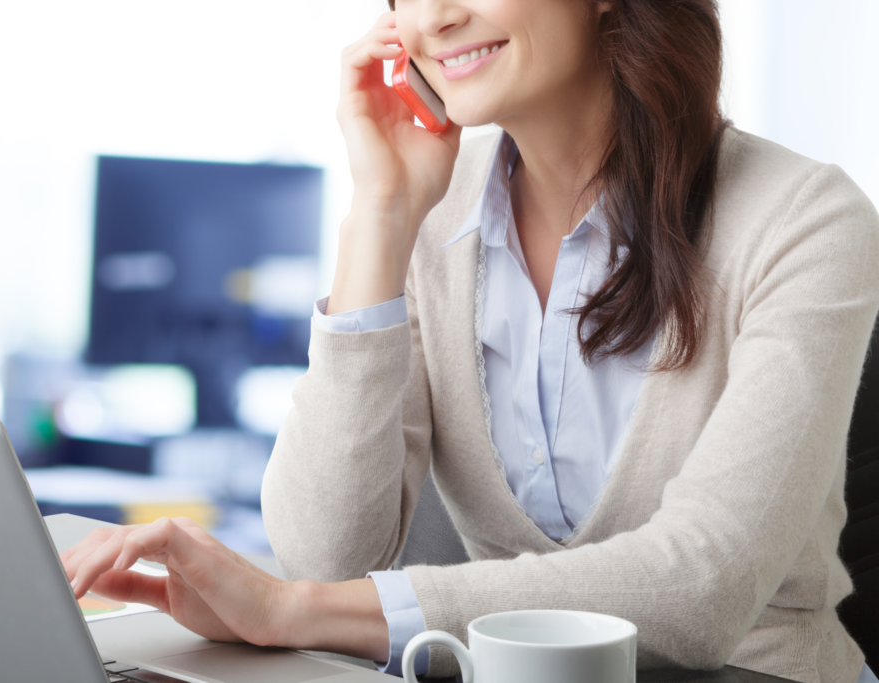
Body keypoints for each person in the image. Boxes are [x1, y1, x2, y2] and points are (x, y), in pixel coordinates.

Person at [60, 1, 879, 681]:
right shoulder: (436, 212)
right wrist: (381, 215)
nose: (438, 16)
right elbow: (328, 554)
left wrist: (293, 610)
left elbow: (702, 589)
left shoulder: (805, 219)